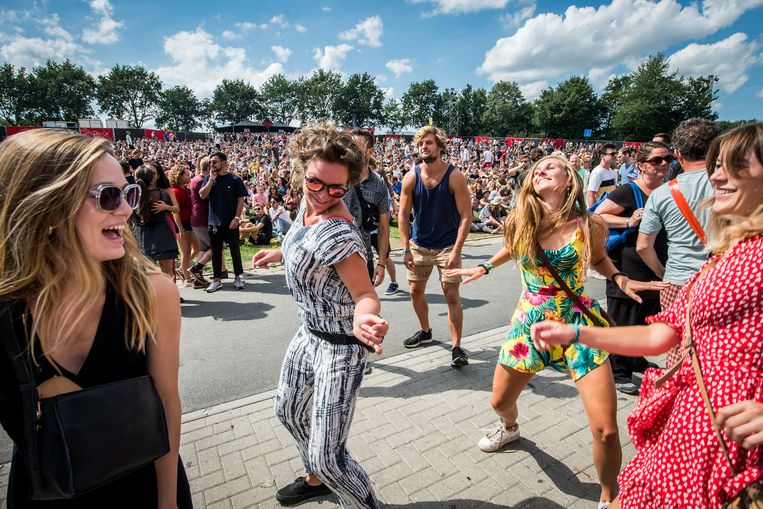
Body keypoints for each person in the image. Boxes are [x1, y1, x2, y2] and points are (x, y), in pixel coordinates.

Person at [530, 122, 763, 509]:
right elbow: (661, 336)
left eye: (735, 165)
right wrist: (575, 333)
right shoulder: (731, 252)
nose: (717, 176)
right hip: (695, 427)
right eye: (717, 165)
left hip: (734, 442)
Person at [446, 155, 667, 508]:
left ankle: (609, 497)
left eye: (550, 166)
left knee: (606, 430)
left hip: (578, 325)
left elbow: (598, 258)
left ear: (569, 180)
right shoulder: (520, 219)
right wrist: (484, 267)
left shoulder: (590, 224)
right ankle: (510, 428)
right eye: (537, 169)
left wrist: (619, 277)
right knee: (500, 402)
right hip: (529, 324)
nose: (540, 171)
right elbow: (512, 247)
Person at [0, 129, 191, 507]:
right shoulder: (7, 303)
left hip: (140, 489)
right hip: (43, 489)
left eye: (127, 193)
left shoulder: (152, 293)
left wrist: (168, 501)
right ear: (45, 205)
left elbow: (167, 403)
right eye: (107, 196)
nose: (126, 210)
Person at [251, 124, 387, 508]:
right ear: (302, 171)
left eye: (336, 189)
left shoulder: (337, 233)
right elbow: (301, 238)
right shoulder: (307, 205)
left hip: (340, 349)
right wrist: (279, 253)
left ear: (348, 186)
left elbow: (365, 294)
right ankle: (316, 479)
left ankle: (354, 497)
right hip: (309, 333)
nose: (324, 195)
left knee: (331, 458)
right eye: (315, 182)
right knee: (289, 411)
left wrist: (364, 318)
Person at [636, 118, 720, 366]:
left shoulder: (662, 193)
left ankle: (680, 390)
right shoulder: (734, 185)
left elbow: (643, 246)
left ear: (678, 155)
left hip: (678, 280)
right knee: (720, 350)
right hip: (724, 279)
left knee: (677, 352)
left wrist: (663, 274)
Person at [593, 142, 671, 395]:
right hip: (627, 267)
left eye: (667, 159)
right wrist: (629, 220)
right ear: (640, 165)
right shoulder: (628, 191)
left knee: (646, 317)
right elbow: (597, 216)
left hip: (654, 264)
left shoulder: (666, 190)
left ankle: (636, 358)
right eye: (656, 160)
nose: (664, 164)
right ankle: (618, 371)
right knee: (624, 320)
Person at [398, 125, 473, 367]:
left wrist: (457, 250)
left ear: (440, 146)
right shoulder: (411, 176)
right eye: (421, 144)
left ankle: (456, 347)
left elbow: (466, 215)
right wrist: (406, 249)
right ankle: (426, 332)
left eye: (429, 143)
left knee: (451, 295)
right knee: (414, 292)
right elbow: (402, 215)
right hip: (419, 245)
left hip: (447, 245)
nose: (424, 147)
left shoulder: (454, 176)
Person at [199, 151, 247, 292]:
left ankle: (238, 277)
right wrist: (210, 180)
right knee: (216, 252)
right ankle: (216, 280)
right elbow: (202, 195)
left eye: (214, 162)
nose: (212, 165)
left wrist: (237, 218)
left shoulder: (235, 179)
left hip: (231, 221)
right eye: (210, 162)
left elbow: (241, 200)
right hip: (214, 222)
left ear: (224, 163)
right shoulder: (209, 179)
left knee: (234, 250)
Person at [134, 165, 180, 277]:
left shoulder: (133, 195)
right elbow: (176, 209)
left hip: (142, 235)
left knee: (146, 274)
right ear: (152, 179)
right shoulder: (161, 194)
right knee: (168, 273)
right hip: (162, 234)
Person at [170, 164, 199, 286]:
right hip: (181, 224)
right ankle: (187, 278)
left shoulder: (185, 190)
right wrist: (180, 228)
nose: (189, 177)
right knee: (185, 252)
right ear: (179, 176)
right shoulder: (176, 191)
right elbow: (175, 212)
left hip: (189, 222)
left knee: (197, 249)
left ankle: (182, 269)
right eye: (186, 175)